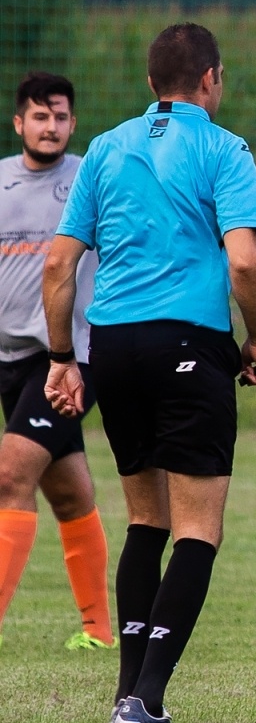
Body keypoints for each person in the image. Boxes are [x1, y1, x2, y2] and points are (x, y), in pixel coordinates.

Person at [42, 22, 256, 723]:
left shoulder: (106, 149)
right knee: (199, 528)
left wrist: (62, 357)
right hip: (187, 345)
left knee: (148, 521)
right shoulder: (223, 150)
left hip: (112, 349)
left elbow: (58, 265)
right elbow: (243, 263)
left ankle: (128, 699)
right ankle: (144, 700)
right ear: (212, 79)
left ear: (151, 84)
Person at [0, 72, 110, 652]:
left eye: (61, 117)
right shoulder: (0, 184)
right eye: (40, 117)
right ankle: (98, 630)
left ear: (72, 122)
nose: (51, 127)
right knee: (68, 492)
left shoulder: (91, 177)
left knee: (10, 474)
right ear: (20, 122)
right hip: (11, 360)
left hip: (69, 358)